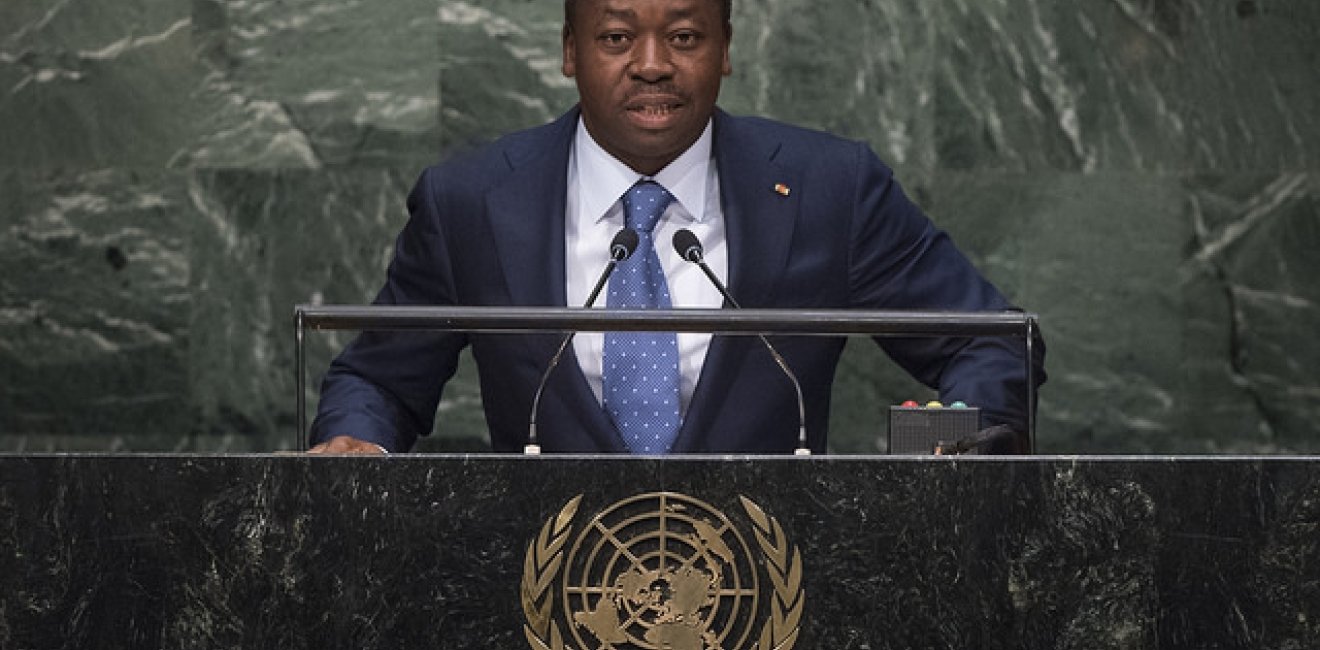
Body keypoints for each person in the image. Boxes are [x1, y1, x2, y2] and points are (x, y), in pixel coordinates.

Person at [309, 0, 1044, 455]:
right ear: (571, 52)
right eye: (618, 37)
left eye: (686, 37)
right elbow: (379, 377)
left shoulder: (829, 189)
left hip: (771, 600)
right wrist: (357, 444)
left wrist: (951, 446)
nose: (652, 65)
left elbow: (994, 341)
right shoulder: (469, 201)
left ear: (726, 50)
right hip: (545, 602)